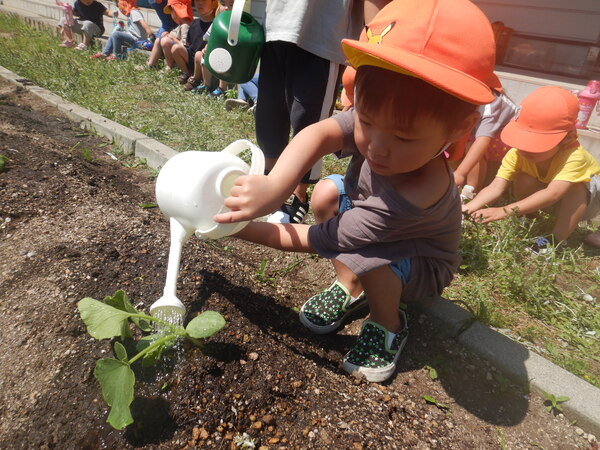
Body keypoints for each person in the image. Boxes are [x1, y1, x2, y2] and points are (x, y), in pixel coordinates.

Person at [214, 0, 496, 382]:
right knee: (328, 194)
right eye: (365, 121)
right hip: (371, 231)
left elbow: (316, 238)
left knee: (368, 257)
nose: (376, 146)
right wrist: (275, 185)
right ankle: (349, 285)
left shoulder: (412, 196)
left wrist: (233, 225)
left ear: (458, 129)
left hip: (421, 263)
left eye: (403, 137)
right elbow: (320, 132)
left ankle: (388, 323)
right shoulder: (388, 112)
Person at [255, 0, 386, 225]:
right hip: (274, 25)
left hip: (323, 34)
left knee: (308, 120)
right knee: (268, 114)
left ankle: (299, 193)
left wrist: (378, 44)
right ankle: (270, 183)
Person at [463, 86, 600, 255]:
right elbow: (495, 186)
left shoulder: (574, 156)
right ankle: (531, 217)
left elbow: (553, 194)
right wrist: (468, 209)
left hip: (584, 205)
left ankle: (556, 240)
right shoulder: (517, 153)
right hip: (545, 200)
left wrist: (504, 210)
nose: (526, 149)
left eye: (537, 143)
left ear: (567, 138)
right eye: (523, 140)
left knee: (577, 187)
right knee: (524, 178)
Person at [452, 81, 518, 192]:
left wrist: (460, 173)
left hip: (511, 139)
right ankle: (450, 182)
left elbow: (483, 140)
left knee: (472, 146)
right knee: (456, 140)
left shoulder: (490, 105)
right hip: (491, 135)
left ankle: (470, 191)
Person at [171, 0, 217, 88]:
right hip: (192, 56)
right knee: (175, 48)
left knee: (198, 55)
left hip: (204, 59)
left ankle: (196, 79)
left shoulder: (215, 25)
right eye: (197, 1)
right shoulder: (195, 23)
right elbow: (189, 44)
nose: (199, 3)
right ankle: (187, 73)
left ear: (214, 4)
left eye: (204, 1)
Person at [145, 0, 178, 68]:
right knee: (158, 39)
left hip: (171, 22)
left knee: (158, 40)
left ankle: (151, 64)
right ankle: (152, 61)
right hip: (167, 23)